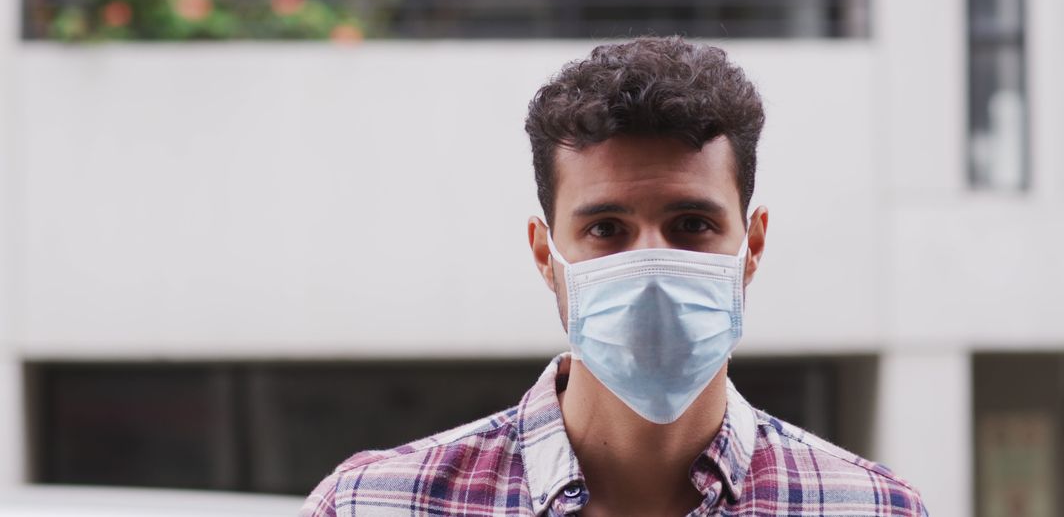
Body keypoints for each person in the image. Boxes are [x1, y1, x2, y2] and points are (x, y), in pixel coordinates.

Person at [300, 36, 927, 516]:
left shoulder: (869, 507)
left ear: (752, 244)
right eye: (605, 229)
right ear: (546, 255)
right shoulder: (375, 504)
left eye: (691, 224)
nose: (649, 266)